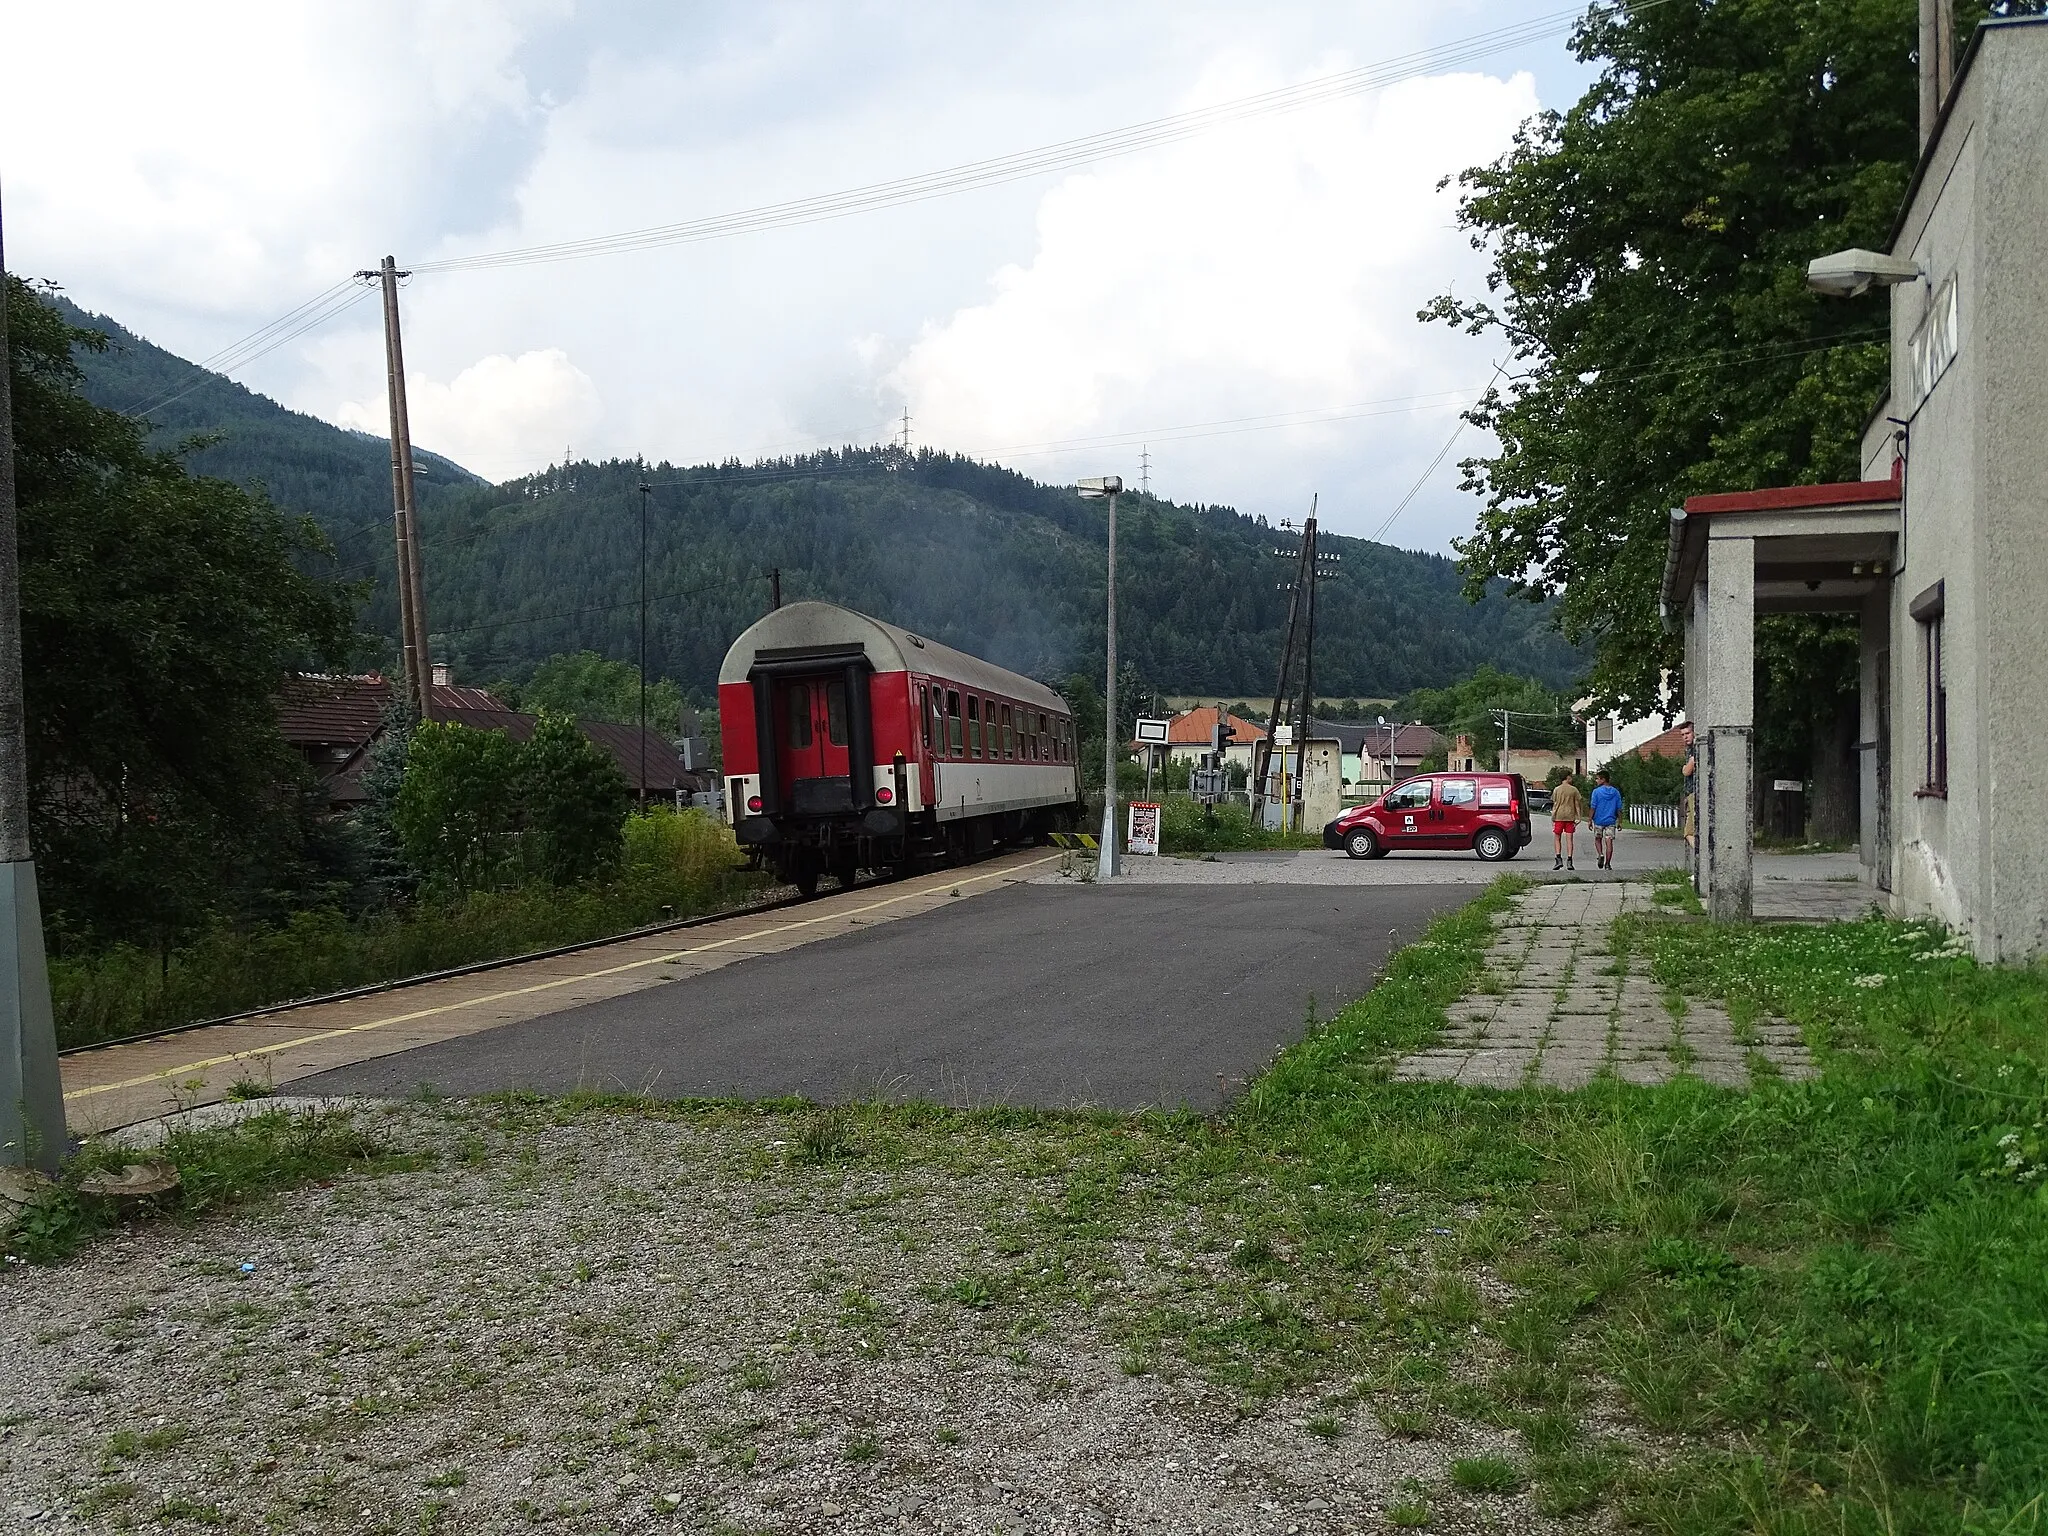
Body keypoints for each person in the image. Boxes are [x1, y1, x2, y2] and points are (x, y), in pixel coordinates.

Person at [1548, 773, 1585, 870]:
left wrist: (1553, 816)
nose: (1571, 779)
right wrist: (1579, 816)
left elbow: (1555, 803)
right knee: (1569, 839)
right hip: (1570, 816)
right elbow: (1577, 803)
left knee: (1557, 838)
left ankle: (1558, 858)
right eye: (1570, 777)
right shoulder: (1573, 790)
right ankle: (1569, 860)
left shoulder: (1557, 789)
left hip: (1559, 816)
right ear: (1567, 778)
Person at [1590, 768, 1623, 870]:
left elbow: (1593, 806)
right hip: (1611, 820)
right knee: (1609, 841)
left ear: (1603, 779)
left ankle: (1600, 854)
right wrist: (1620, 821)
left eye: (1597, 779)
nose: (1596, 781)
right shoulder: (1616, 792)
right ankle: (1608, 864)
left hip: (1599, 820)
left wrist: (1589, 819)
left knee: (1598, 839)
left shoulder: (1596, 792)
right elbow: (1619, 808)